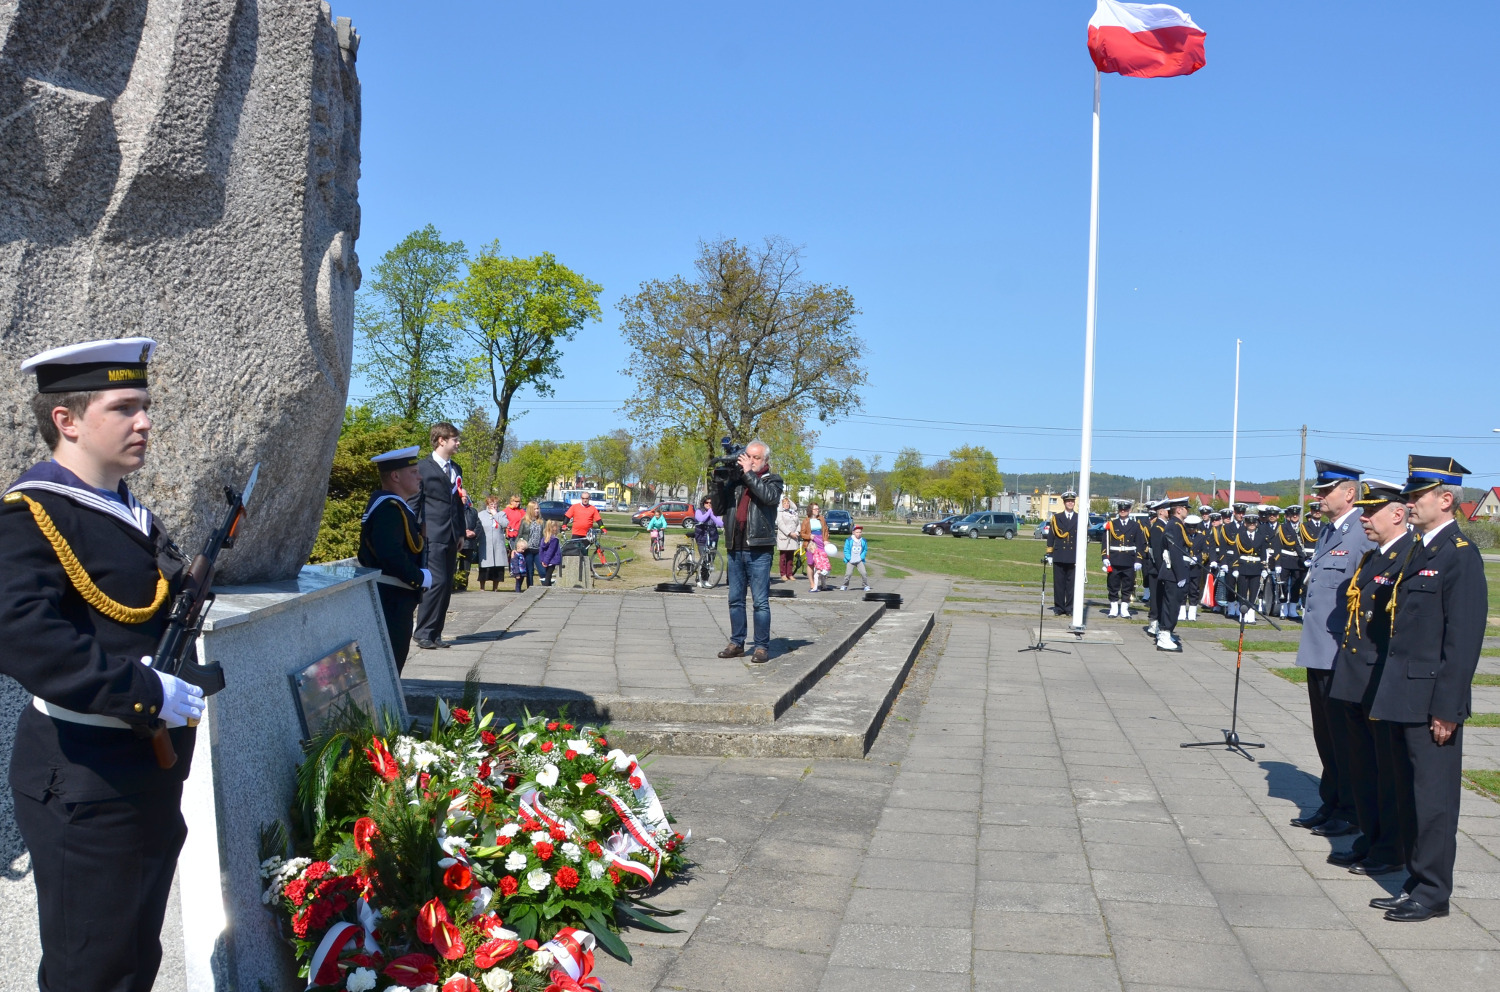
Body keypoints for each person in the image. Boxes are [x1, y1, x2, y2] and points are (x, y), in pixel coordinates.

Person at [1, 337, 205, 992]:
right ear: (66, 419)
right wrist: (143, 691)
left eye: (145, 406)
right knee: (90, 972)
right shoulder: (30, 515)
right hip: (85, 775)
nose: (144, 422)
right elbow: (23, 635)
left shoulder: (128, 511)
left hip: (146, 768)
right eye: (123, 408)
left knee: (134, 960)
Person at [1368, 457, 1487, 922]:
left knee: (1434, 802)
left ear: (1446, 499)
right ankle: (1416, 881)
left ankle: (1434, 892)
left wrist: (1448, 709)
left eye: (1417, 496)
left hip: (1432, 699)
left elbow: (1463, 641)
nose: (1410, 503)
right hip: (1403, 693)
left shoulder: (1459, 555)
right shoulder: (1421, 550)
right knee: (1410, 795)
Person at [1324, 479, 1411, 881]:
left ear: (1398, 513)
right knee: (1362, 768)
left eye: (1373, 511)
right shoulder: (1374, 556)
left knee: (1386, 772)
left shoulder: (1408, 556)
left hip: (1380, 680)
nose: (1365, 518)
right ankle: (1370, 838)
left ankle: (1390, 848)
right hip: (1356, 677)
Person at [1291, 460, 1371, 838]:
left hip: (1341, 652)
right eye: (1319, 491)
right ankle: (1332, 801)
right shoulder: (1328, 531)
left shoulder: (1363, 533)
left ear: (1349, 493)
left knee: (1345, 738)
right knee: (1325, 734)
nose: (1319, 497)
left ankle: (1351, 809)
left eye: (1326, 491)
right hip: (1318, 649)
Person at [359, 446, 434, 671]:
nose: (419, 477)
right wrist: (419, 578)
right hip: (391, 600)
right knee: (389, 668)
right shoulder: (389, 509)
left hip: (394, 598)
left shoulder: (395, 506)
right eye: (413, 472)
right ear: (395, 476)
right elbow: (389, 554)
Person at [715, 441, 784, 664]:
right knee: (735, 600)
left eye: (756, 458)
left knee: (760, 601)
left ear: (765, 461)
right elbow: (718, 508)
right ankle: (737, 643)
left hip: (759, 549)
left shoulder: (773, 481)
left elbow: (768, 497)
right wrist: (718, 484)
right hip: (735, 547)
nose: (751, 461)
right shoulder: (736, 482)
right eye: (748, 456)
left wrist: (748, 474)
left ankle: (762, 647)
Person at [414, 422, 470, 650]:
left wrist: (461, 532)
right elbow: (415, 501)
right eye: (455, 439)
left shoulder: (456, 468)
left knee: (446, 585)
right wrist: (417, 529)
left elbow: (457, 503)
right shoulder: (422, 468)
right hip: (432, 534)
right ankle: (423, 632)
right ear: (441, 440)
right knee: (436, 582)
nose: (458, 443)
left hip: (451, 534)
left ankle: (436, 633)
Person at [1152, 498, 1192, 651]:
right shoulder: (1174, 526)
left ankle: (1166, 633)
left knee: (1173, 605)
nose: (1188, 511)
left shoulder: (1177, 525)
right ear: (1179, 510)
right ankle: (1164, 635)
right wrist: (1180, 575)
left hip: (1176, 571)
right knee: (1171, 605)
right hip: (1173, 573)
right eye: (1186, 508)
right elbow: (1174, 551)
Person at [1102, 499, 1143, 618]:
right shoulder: (1112, 524)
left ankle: (1124, 609)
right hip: (1114, 559)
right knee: (1113, 585)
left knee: (1128, 585)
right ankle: (1114, 608)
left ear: (1129, 510)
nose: (1123, 511)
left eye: (1125, 509)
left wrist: (1138, 560)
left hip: (1129, 560)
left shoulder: (1135, 525)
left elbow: (1140, 544)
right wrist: (1104, 557)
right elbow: (1105, 542)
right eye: (1121, 509)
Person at [1230, 509, 1270, 623]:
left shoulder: (1261, 537)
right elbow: (1236, 553)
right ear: (1245, 524)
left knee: (1254, 592)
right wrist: (1235, 568)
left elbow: (1263, 555)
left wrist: (1264, 568)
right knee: (1242, 592)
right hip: (1243, 567)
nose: (1251, 525)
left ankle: (1251, 614)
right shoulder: (1239, 536)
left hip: (1256, 567)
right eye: (1249, 523)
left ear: (1256, 524)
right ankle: (1242, 615)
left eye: (1253, 523)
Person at [1044, 491, 1079, 615]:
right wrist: (1049, 553)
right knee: (1059, 584)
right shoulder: (1057, 518)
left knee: (1071, 584)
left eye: (1072, 501)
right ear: (1064, 503)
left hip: (1073, 555)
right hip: (1059, 555)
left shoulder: (1079, 518)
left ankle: (1069, 608)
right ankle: (1059, 608)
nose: (1070, 503)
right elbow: (1051, 536)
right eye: (1068, 501)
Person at [1279, 503, 1309, 619]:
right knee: (1283, 585)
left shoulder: (1303, 528)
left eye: (1297, 514)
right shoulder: (1283, 528)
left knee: (1296, 585)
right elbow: (1278, 545)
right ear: (1289, 516)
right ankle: (1283, 609)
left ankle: (1292, 609)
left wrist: (1305, 558)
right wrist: (1277, 562)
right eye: (1293, 514)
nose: (1295, 516)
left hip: (1298, 561)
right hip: (1286, 559)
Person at [475, 494, 507, 591]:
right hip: (485, 545)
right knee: (484, 568)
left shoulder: (502, 514)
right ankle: (482, 588)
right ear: (487, 505)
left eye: (495, 504)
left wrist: (495, 515)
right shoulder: (481, 515)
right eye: (491, 504)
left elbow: (505, 524)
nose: (494, 506)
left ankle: (495, 588)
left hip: (498, 546)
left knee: (497, 568)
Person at [693, 496, 722, 588]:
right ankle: (699, 579)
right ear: (703, 503)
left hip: (713, 537)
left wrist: (712, 515)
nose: (709, 504)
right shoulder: (699, 511)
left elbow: (721, 523)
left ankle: (705, 579)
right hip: (702, 537)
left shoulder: (715, 512)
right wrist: (709, 512)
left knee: (711, 559)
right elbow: (700, 519)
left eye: (710, 503)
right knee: (704, 559)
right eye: (707, 502)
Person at [802, 503, 831, 593]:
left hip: (820, 541)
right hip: (811, 544)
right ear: (811, 510)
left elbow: (825, 530)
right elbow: (802, 533)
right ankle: (812, 583)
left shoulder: (821, 518)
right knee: (811, 563)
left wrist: (825, 540)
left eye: (818, 509)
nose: (817, 510)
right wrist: (809, 536)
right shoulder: (806, 521)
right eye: (815, 509)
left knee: (822, 562)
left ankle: (823, 584)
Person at [519, 501, 545, 588]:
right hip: (528, 550)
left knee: (542, 571)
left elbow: (545, 535)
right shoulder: (524, 522)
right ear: (530, 510)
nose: (537, 511)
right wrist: (516, 549)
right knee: (529, 571)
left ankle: (546, 587)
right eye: (535, 509)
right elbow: (519, 535)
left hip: (538, 550)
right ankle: (529, 588)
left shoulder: (542, 522)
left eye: (538, 509)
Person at [776, 496, 800, 580]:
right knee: (783, 557)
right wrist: (789, 533)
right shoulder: (780, 513)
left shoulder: (793, 512)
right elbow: (780, 524)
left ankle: (789, 574)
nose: (786, 504)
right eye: (784, 503)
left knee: (790, 557)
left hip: (793, 537)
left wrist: (797, 532)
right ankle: (783, 574)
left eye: (788, 503)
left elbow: (798, 524)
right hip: (784, 537)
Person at [841, 525, 871, 591]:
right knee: (848, 574)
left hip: (859, 560)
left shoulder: (863, 540)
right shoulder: (849, 540)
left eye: (860, 532)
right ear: (853, 532)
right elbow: (846, 550)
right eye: (857, 532)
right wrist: (849, 558)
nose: (858, 534)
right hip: (850, 560)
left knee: (864, 573)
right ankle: (844, 585)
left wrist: (861, 557)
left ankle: (865, 585)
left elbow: (865, 550)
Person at [537, 520, 562, 586]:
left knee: (548, 576)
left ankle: (548, 586)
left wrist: (542, 560)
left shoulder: (544, 538)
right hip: (551, 560)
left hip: (545, 560)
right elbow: (550, 551)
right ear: (554, 528)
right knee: (548, 576)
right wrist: (546, 561)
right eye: (557, 527)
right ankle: (546, 587)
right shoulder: (554, 539)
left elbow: (541, 550)